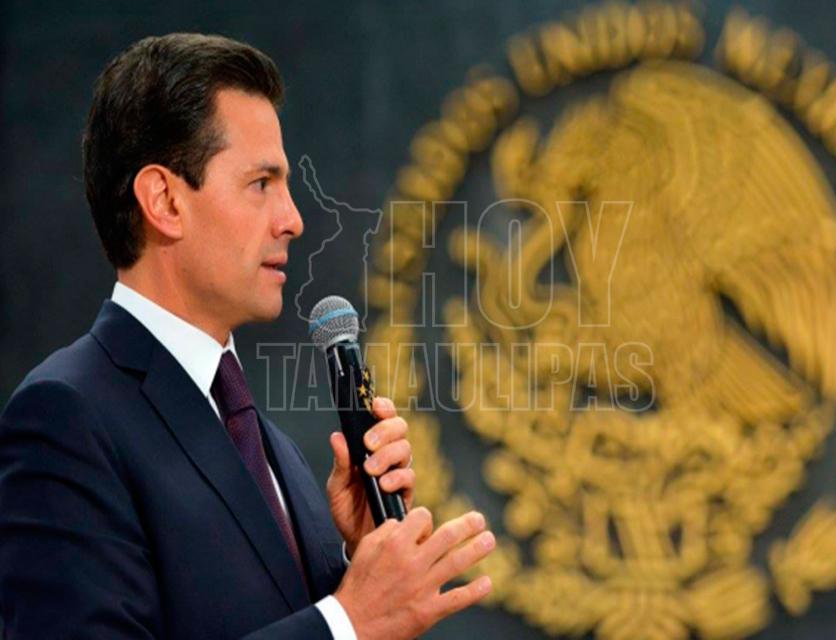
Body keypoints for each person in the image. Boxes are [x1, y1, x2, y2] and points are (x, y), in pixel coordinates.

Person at [0, 33, 495, 639]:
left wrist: (355, 565)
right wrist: (349, 620)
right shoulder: (65, 417)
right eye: (262, 183)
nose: (293, 219)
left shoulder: (269, 445)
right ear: (165, 201)